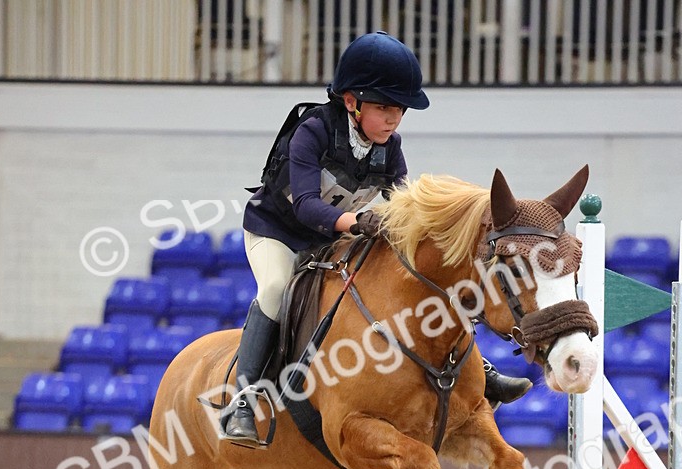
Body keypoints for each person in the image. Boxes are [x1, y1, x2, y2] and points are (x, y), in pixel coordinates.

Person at [221, 30, 530, 445]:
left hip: (334, 240)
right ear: (351, 101)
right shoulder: (311, 132)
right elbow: (306, 207)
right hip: (278, 233)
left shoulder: (391, 147)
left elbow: (399, 205)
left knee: (409, 278)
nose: (393, 119)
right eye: (384, 108)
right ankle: (241, 401)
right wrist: (356, 221)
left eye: (399, 110)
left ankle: (478, 368)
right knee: (276, 288)